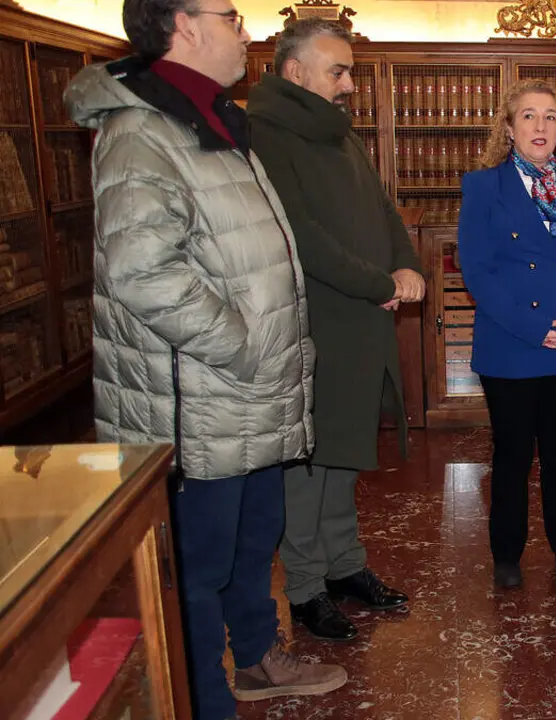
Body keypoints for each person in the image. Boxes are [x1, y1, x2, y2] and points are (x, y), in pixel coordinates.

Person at [64, 0, 346, 717]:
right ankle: (205, 697)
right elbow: (142, 272)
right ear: (182, 25)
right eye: (230, 14)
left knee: (255, 544)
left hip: (247, 392)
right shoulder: (140, 131)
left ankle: (254, 660)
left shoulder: (214, 117)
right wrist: (244, 344)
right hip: (200, 396)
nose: (243, 30)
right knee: (198, 566)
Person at [247, 17, 421, 642]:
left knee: (344, 452)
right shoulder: (265, 132)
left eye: (349, 69)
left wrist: (404, 262)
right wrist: (380, 284)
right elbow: (299, 236)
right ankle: (305, 588)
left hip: (358, 321)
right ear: (295, 72)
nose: (349, 83)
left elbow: (381, 207)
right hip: (312, 321)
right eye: (338, 70)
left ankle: (346, 567)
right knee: (307, 464)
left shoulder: (338, 132)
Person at [457, 78, 556, 589]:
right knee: (514, 453)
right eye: (528, 115)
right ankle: (507, 553)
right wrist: (537, 327)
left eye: (550, 116)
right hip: (511, 342)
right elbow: (477, 270)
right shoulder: (483, 187)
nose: (540, 125)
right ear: (508, 127)